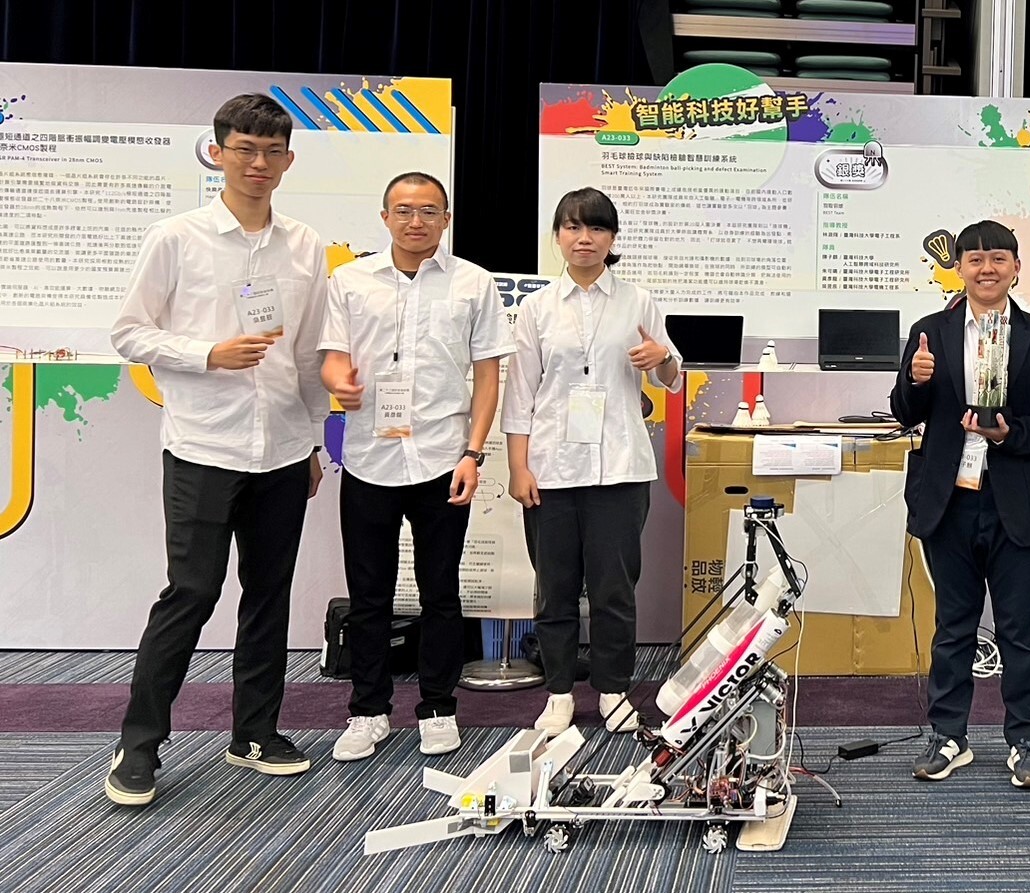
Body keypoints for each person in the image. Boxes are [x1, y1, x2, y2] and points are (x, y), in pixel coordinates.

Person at [106, 94, 331, 806]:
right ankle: (138, 744)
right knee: (192, 592)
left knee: (268, 596)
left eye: (271, 152)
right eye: (243, 149)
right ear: (217, 152)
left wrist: (313, 440)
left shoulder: (306, 245)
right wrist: (208, 352)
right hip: (204, 444)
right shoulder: (177, 237)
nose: (257, 164)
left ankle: (254, 732)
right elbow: (129, 332)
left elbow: (307, 353)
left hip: (282, 450)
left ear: (288, 160)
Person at [320, 172, 514, 762]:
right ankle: (369, 710)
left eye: (429, 211)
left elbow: (487, 378)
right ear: (384, 217)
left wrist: (474, 453)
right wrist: (337, 382)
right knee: (370, 595)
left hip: (442, 459)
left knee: (441, 594)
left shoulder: (473, 284)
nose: (416, 221)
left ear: (446, 218)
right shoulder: (349, 281)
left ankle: (437, 707)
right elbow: (332, 358)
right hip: (369, 459)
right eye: (404, 210)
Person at [891, 220, 1030, 788]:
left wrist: (1010, 435)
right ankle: (948, 735)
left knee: (1021, 629)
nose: (986, 268)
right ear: (960, 268)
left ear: (1017, 267)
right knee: (954, 626)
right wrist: (918, 381)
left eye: (998, 258)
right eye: (974, 259)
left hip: (1016, 501)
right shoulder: (930, 331)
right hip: (948, 501)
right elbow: (904, 411)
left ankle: (1026, 740)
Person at [501, 187, 682, 737]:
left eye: (597, 228)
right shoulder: (535, 308)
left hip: (620, 470)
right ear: (557, 236)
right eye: (573, 227)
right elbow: (520, 394)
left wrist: (663, 359)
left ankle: (612, 689)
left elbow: (670, 378)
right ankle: (558, 692)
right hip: (550, 469)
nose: (585, 238)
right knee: (553, 587)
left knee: (613, 589)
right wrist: (517, 467)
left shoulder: (637, 301)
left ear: (612, 239)